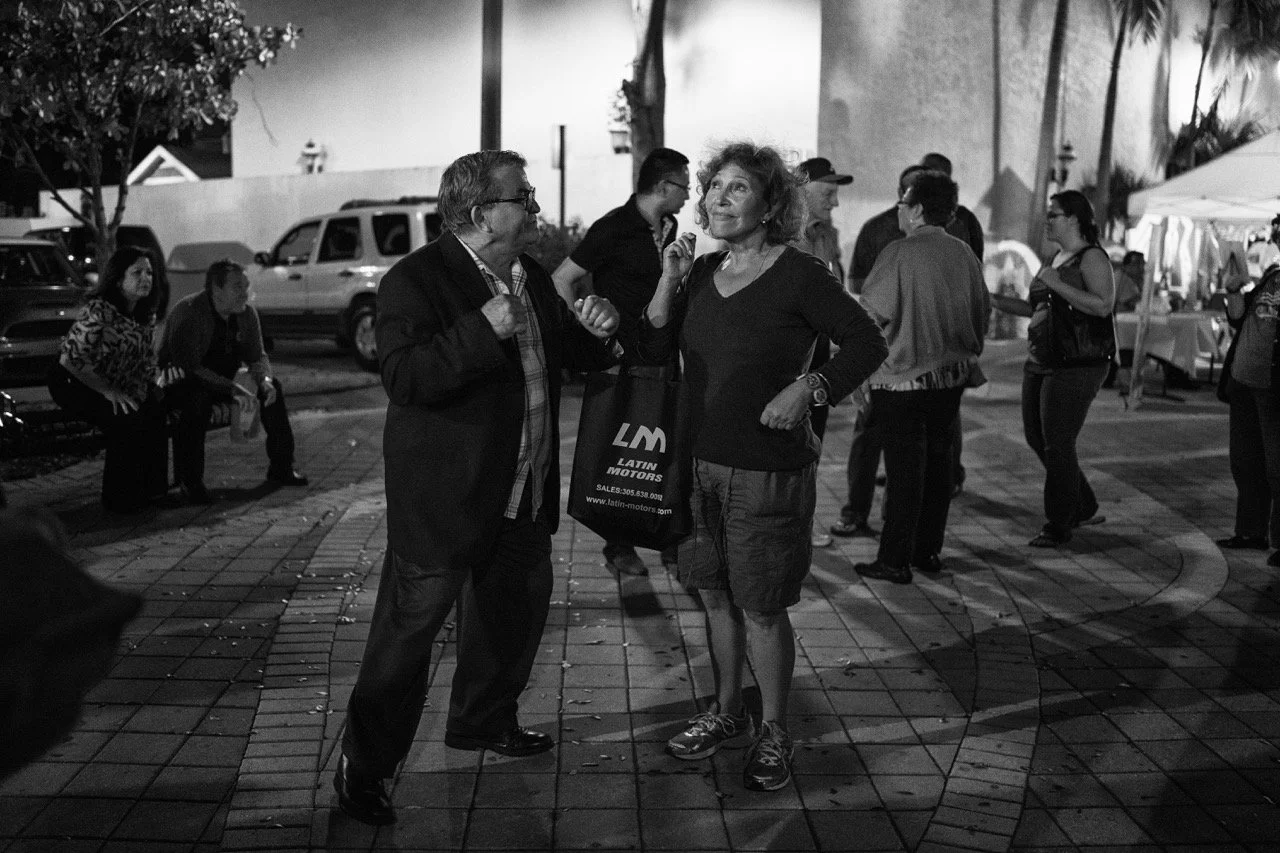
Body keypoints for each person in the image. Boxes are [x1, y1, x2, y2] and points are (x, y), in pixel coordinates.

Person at [335, 150, 621, 825]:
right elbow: (404, 377)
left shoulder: (530, 278)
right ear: (476, 212)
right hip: (447, 499)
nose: (534, 207)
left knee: (512, 612)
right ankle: (364, 766)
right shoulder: (416, 279)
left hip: (523, 490)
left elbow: (567, 356)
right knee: (407, 639)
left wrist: (600, 336)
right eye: (520, 195)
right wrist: (478, 329)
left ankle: (482, 720)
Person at [641, 142, 886, 792]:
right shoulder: (700, 271)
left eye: (736, 188)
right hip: (698, 462)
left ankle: (774, 728)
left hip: (768, 469)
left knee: (761, 606)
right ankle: (725, 711)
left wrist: (810, 389)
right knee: (714, 595)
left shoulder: (801, 274)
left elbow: (868, 341)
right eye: (713, 187)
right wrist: (670, 275)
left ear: (771, 202)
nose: (718, 198)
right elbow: (656, 338)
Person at [551, 146, 690, 577]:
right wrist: (584, 328)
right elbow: (562, 278)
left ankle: (669, 536)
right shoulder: (612, 228)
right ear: (663, 186)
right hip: (620, 356)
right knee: (620, 451)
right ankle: (619, 545)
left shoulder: (671, 227)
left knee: (666, 444)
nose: (688, 196)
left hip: (664, 353)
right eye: (684, 187)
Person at [853, 170, 990, 585]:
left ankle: (894, 559)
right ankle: (927, 551)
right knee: (938, 468)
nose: (898, 208)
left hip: (903, 382)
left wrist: (858, 372)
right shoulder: (963, 253)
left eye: (902, 202)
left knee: (904, 473)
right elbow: (982, 311)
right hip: (949, 380)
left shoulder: (900, 253)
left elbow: (870, 318)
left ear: (915, 210)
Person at [994, 190, 1116, 547]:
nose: (1047, 220)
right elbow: (1036, 308)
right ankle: (1084, 502)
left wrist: (1059, 284)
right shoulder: (1055, 258)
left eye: (1054, 215)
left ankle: (1059, 523)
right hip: (1042, 360)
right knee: (1037, 438)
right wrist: (993, 301)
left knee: (1058, 443)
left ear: (1075, 219)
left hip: (1076, 363)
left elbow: (1103, 305)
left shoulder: (1090, 258)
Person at [160, 260, 309, 505]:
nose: (245, 292)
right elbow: (190, 367)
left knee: (274, 392)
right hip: (183, 383)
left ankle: (282, 467)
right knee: (196, 403)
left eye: (246, 285)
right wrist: (231, 389)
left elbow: (257, 355)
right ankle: (190, 482)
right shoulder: (190, 312)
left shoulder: (246, 314)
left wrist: (265, 380)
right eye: (237, 287)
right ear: (216, 290)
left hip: (227, 383)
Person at [831, 164, 927, 540]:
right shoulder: (881, 231)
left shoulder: (944, 235)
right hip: (886, 353)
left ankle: (900, 526)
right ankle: (861, 512)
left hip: (914, 358)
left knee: (916, 447)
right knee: (872, 436)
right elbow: (855, 285)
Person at [46, 246, 169, 513]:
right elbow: (70, 360)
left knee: (155, 412)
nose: (146, 278)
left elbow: (145, 359)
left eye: (149, 272)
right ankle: (119, 499)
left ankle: (155, 491)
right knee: (123, 417)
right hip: (75, 382)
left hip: (115, 383)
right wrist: (107, 391)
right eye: (137, 272)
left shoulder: (145, 314)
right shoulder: (99, 311)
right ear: (118, 279)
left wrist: (152, 385)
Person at [793, 156, 854, 548]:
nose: (834, 202)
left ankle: (801, 521)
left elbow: (837, 287)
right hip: (783, 356)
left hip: (817, 354)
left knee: (812, 441)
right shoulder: (779, 235)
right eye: (827, 193)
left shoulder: (827, 236)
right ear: (803, 191)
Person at [1216, 214, 1280, 566]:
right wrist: (1233, 290)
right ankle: (1251, 532)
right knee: (1245, 462)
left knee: (1276, 466)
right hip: (1244, 380)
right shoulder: (1272, 275)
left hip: (1273, 385)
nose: (1275, 233)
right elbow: (1239, 318)